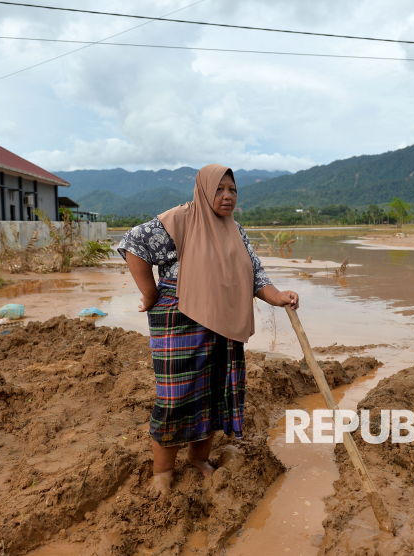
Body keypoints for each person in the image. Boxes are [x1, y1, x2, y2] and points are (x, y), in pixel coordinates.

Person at [118, 164, 300, 496]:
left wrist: (278, 297)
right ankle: (162, 471)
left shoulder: (236, 230)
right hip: (180, 322)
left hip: (223, 326)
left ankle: (198, 460)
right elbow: (133, 245)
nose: (227, 196)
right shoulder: (181, 220)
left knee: (214, 395)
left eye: (232, 190)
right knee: (175, 397)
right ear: (204, 190)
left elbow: (256, 275)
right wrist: (150, 294)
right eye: (219, 189)